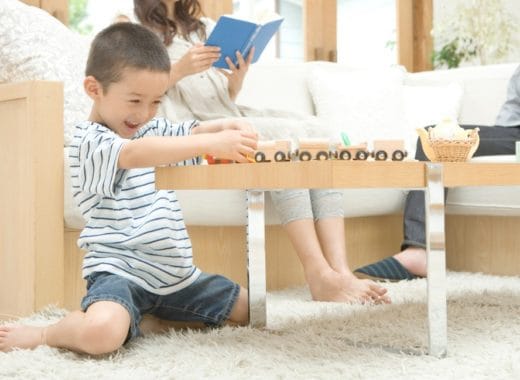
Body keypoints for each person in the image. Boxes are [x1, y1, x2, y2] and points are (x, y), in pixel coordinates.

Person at [0, 22, 258, 354]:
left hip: (178, 276)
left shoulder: (150, 126)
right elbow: (135, 154)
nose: (144, 114)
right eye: (135, 100)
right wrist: (213, 141)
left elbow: (190, 132)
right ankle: (47, 333)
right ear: (94, 89)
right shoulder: (90, 140)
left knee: (257, 311)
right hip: (119, 274)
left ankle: (149, 321)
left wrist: (227, 124)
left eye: (155, 102)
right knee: (101, 335)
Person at [134, 0, 391, 304]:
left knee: (316, 133)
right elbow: (138, 95)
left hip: (227, 112)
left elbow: (222, 99)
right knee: (281, 141)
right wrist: (178, 70)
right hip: (196, 128)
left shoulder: (201, 28)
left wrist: (236, 79)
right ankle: (318, 273)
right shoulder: (138, 33)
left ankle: (341, 272)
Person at [355, 65, 520, 281]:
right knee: (434, 138)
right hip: (510, 132)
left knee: (436, 138)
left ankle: (418, 250)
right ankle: (418, 249)